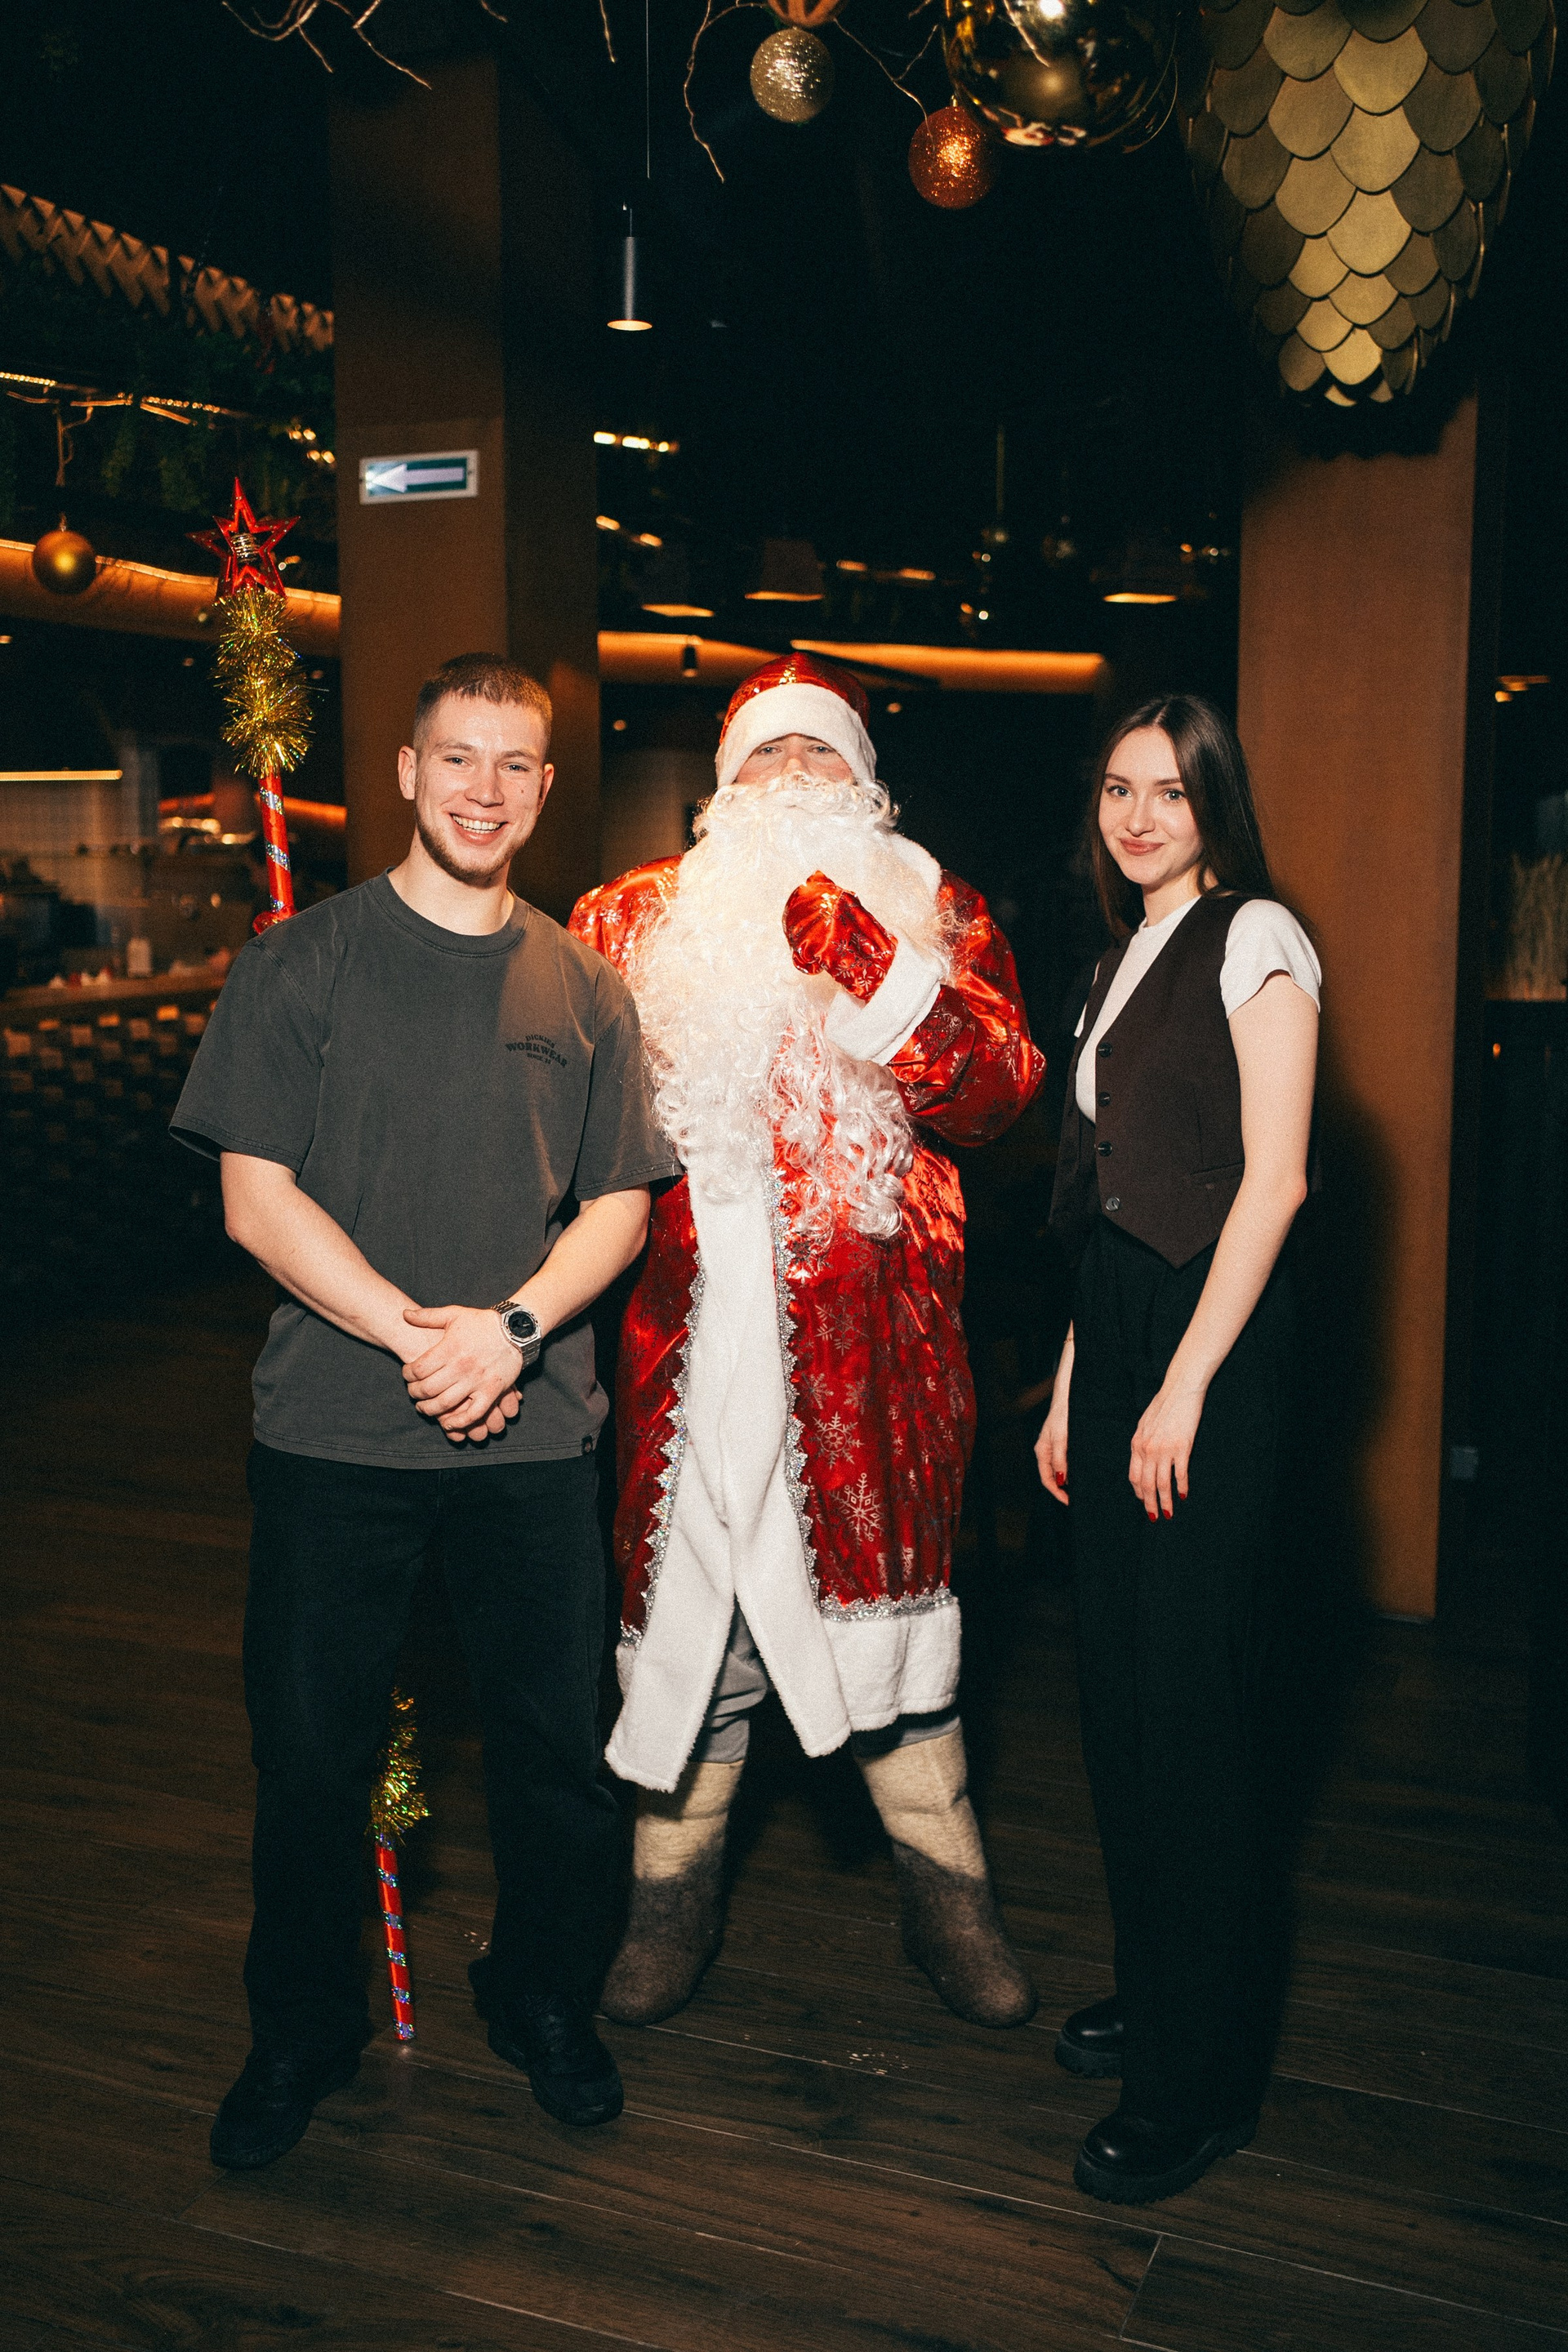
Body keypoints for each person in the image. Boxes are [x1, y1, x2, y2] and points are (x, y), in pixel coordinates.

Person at [172, 654, 675, 2169]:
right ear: (405, 771)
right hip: (335, 1434)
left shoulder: (584, 986)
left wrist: (510, 1332)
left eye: (515, 764)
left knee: (558, 1755)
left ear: (545, 788)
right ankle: (301, 2030)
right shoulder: (300, 964)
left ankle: (542, 1998)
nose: (484, 790)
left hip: (536, 1436)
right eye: (458, 757)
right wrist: (417, 1336)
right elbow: (255, 1200)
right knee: (311, 1758)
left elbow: (622, 1204)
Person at [569, 653, 1045, 2029]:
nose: (791, 775)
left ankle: (951, 1908)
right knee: (694, 1631)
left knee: (895, 1645)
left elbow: (1002, 1095)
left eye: (818, 752)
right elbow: (549, 1100)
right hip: (681, 1347)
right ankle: (669, 1906)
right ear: (723, 786)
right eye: (765, 754)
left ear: (865, 780)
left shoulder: (934, 905)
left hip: (875, 1360)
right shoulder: (631, 915)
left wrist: (876, 968)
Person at [1036, 694, 1320, 2204]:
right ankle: (1161, 1990)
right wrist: (1078, 1382)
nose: (1138, 817)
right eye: (1117, 791)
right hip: (1125, 1335)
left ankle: (1199, 2086)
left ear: (1216, 804)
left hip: (1216, 1349)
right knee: (1126, 1700)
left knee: (1197, 1717)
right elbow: (1109, 1197)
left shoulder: (1257, 937)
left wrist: (1184, 1385)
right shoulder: (1115, 957)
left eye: (1169, 791)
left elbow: (1271, 1186)